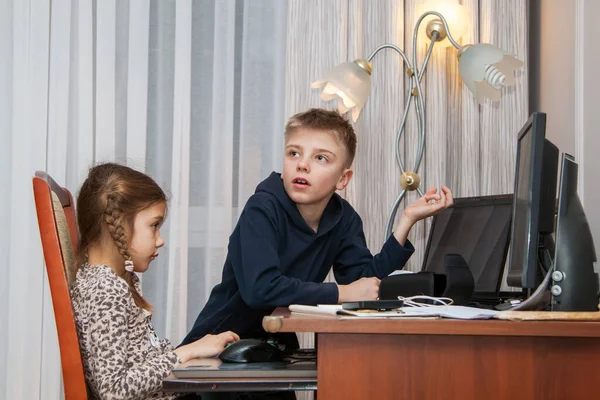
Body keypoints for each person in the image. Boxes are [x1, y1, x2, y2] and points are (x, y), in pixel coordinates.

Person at [182, 108, 454, 348]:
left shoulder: (344, 218)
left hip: (273, 344)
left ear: (343, 179)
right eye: (294, 153)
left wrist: (406, 221)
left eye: (320, 158)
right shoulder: (261, 209)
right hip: (219, 344)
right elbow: (260, 289)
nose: (302, 164)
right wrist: (342, 293)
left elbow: (363, 283)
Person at [70, 163, 240, 400]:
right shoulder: (105, 290)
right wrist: (184, 353)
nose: (160, 240)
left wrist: (194, 352)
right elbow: (113, 390)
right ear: (117, 224)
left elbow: (139, 360)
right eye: (154, 226)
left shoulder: (115, 280)